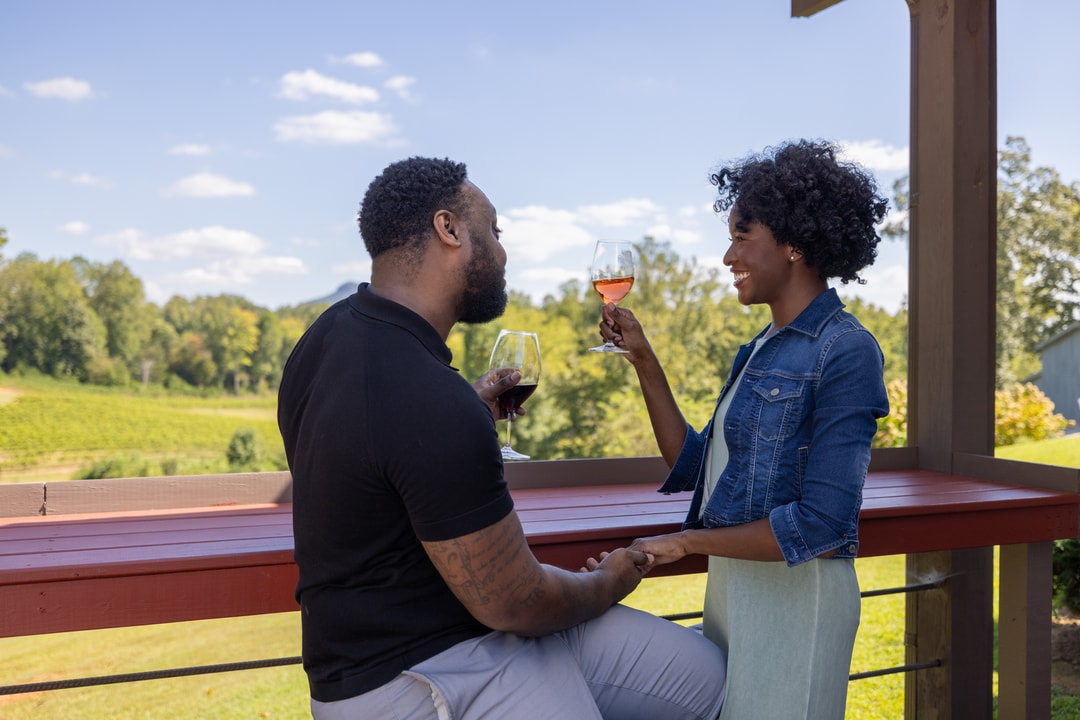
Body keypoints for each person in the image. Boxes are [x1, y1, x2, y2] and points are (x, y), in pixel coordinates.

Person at [278, 156, 727, 720]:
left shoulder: (322, 341)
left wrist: (461, 416)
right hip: (418, 674)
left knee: (707, 679)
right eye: (494, 230)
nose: (503, 250)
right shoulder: (428, 398)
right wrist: (613, 580)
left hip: (463, 632)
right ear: (449, 229)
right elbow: (519, 602)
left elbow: (381, 448)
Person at [596, 140, 890, 719]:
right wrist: (645, 362)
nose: (728, 256)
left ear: (794, 244)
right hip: (736, 588)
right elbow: (698, 468)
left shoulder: (847, 351)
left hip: (798, 604)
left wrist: (684, 542)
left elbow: (825, 525)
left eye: (740, 237)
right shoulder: (758, 349)